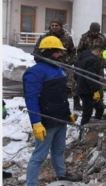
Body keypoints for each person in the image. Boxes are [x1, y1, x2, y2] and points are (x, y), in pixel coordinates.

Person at [23, 36, 80, 185]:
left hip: (60, 118)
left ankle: (61, 174)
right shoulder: (34, 73)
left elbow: (62, 95)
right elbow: (31, 99)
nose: (61, 54)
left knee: (59, 150)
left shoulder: (59, 70)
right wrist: (36, 123)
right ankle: (31, 183)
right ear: (48, 52)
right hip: (46, 121)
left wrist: (68, 114)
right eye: (57, 52)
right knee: (39, 155)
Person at [33, 19, 79, 110]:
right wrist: (41, 61)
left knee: (70, 85)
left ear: (60, 26)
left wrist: (69, 61)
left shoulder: (67, 38)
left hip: (64, 66)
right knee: (51, 86)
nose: (54, 27)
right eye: (52, 25)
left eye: (56, 25)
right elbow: (36, 52)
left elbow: (73, 52)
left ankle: (74, 103)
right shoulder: (44, 37)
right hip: (49, 66)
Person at [77, 22, 106, 107]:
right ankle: (88, 102)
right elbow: (79, 51)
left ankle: (99, 101)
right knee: (88, 83)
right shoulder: (84, 38)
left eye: (97, 31)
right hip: (87, 65)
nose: (95, 33)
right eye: (93, 31)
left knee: (99, 83)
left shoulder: (102, 38)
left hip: (99, 64)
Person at [75, 45, 105, 126]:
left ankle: (94, 126)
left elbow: (75, 74)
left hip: (82, 88)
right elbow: (91, 77)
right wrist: (95, 91)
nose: (102, 57)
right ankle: (85, 130)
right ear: (98, 51)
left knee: (99, 108)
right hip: (88, 91)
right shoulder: (93, 60)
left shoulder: (82, 58)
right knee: (88, 113)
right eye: (102, 54)